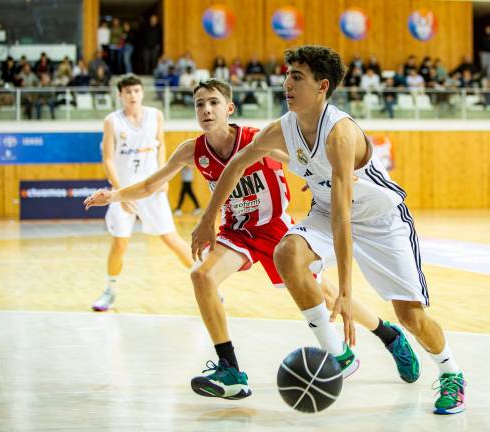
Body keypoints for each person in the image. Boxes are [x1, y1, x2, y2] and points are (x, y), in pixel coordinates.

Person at [85, 78, 420, 401]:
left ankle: (389, 335)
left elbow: (298, 161)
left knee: (328, 295)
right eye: (200, 104)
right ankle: (230, 369)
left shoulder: (257, 139)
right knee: (201, 276)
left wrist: (318, 180)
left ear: (229, 107)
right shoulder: (192, 150)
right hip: (238, 231)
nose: (206, 109)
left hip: (276, 230)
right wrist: (113, 195)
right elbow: (149, 185)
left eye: (214, 102)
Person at [192, 46, 465, 415]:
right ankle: (339, 354)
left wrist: (348, 289)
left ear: (322, 86)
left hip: (381, 220)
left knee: (410, 317)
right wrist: (209, 217)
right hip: (325, 210)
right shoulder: (282, 128)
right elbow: (237, 164)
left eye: (297, 77)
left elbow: (344, 215)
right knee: (286, 252)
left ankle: (451, 373)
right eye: (287, 75)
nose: (286, 83)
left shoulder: (340, 134)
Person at [90, 74, 193, 311]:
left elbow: (161, 146)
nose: (132, 95)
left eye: (136, 90)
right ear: (120, 95)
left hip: (152, 189)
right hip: (124, 190)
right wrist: (118, 193)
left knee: (171, 238)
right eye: (127, 92)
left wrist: (163, 175)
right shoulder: (112, 121)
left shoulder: (155, 115)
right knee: (119, 244)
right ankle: (110, 290)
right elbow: (107, 158)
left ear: (142, 92)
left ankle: (207, 284)